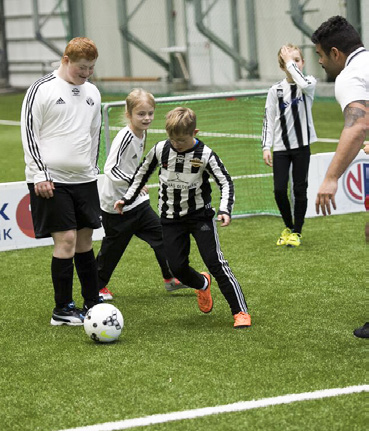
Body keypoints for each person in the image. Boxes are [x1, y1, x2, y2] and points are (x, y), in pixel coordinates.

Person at [114, 107, 251, 329]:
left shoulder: (205, 154)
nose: (176, 144)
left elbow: (225, 181)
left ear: (194, 132)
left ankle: (240, 311)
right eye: (172, 138)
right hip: (170, 218)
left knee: (215, 262)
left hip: (200, 218)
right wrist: (126, 199)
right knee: (177, 268)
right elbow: (142, 173)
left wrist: (225, 209)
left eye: (182, 139)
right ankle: (202, 283)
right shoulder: (161, 149)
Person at [21, 37, 102, 326]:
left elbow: (95, 135)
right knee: (66, 239)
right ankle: (62, 309)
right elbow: (30, 133)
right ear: (66, 59)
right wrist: (39, 174)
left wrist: (92, 169)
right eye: (82, 67)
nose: (86, 73)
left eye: (91, 68)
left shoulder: (93, 92)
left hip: (84, 179)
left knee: (84, 240)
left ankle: (92, 301)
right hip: (51, 180)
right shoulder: (42, 89)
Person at [96, 88, 188, 300]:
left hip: (137, 203)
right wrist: (134, 183)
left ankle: (170, 278)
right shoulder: (125, 137)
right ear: (128, 114)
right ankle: (97, 286)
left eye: (150, 113)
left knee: (163, 236)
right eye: (141, 114)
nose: (146, 118)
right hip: (116, 205)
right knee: (112, 250)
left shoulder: (142, 133)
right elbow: (110, 169)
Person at [311, 16, 368, 338]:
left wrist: (331, 177)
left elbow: (358, 124)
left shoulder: (350, 76)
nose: (319, 62)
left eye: (319, 55)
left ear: (335, 53)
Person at [262, 43, 317, 247]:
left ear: (303, 63)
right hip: (281, 149)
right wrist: (266, 146)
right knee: (279, 190)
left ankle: (298, 232)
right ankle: (289, 226)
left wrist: (289, 62)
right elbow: (269, 119)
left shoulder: (309, 83)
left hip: (302, 147)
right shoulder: (275, 90)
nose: (295, 64)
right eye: (289, 61)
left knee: (300, 189)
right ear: (282, 67)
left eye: (298, 60)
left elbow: (302, 83)